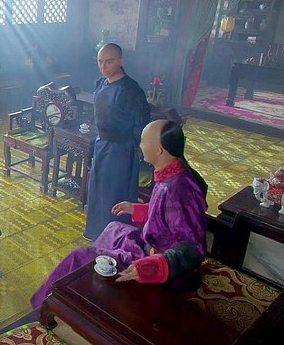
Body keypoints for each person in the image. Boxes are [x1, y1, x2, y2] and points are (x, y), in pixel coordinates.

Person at [31, 119, 208, 309]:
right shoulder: (171, 173)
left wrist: (153, 266)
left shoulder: (180, 189)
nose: (140, 145)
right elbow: (168, 213)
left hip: (158, 263)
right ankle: (94, 281)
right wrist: (137, 209)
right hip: (150, 243)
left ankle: (46, 306)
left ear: (159, 150)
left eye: (144, 141)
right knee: (114, 228)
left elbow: (193, 247)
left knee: (80, 256)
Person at [85, 43, 151, 240]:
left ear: (121, 61)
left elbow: (140, 123)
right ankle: (96, 233)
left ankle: (116, 238)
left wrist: (137, 149)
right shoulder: (100, 83)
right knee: (98, 191)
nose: (103, 67)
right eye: (100, 62)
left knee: (115, 194)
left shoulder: (130, 90)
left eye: (109, 62)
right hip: (102, 145)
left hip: (121, 150)